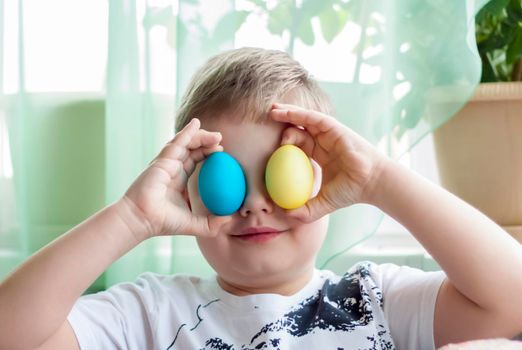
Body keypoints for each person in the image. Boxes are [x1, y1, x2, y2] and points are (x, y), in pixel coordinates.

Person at [0, 47, 521, 350]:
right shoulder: (152, 312)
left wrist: (381, 178)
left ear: (329, 180)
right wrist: (131, 217)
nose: (253, 205)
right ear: (188, 192)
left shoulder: (374, 301)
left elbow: (512, 300)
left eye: (279, 176)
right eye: (224, 181)